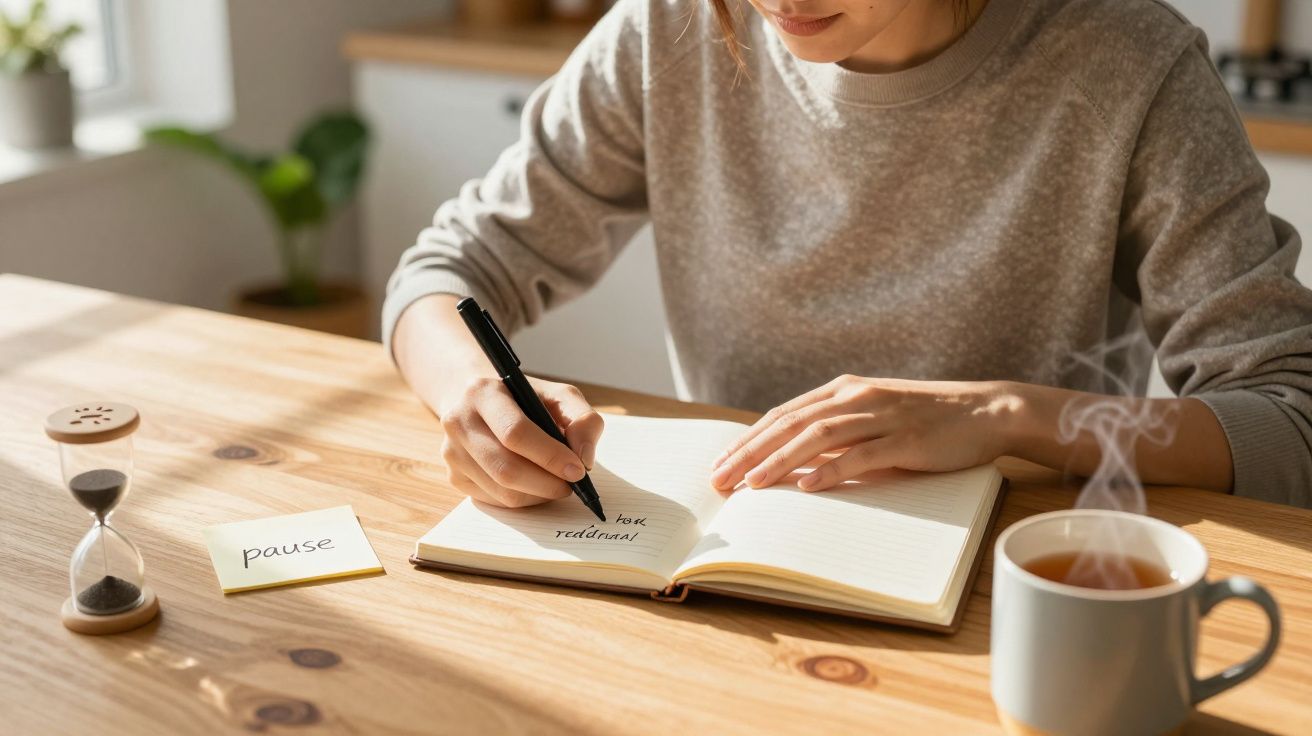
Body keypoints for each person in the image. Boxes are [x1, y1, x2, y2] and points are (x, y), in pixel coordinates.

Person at [384, 0, 1312, 510]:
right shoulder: (670, 27)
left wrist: (1003, 414)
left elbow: (1288, 418)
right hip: (727, 573)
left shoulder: (1126, 64)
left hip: (1017, 597)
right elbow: (447, 274)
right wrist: (474, 397)